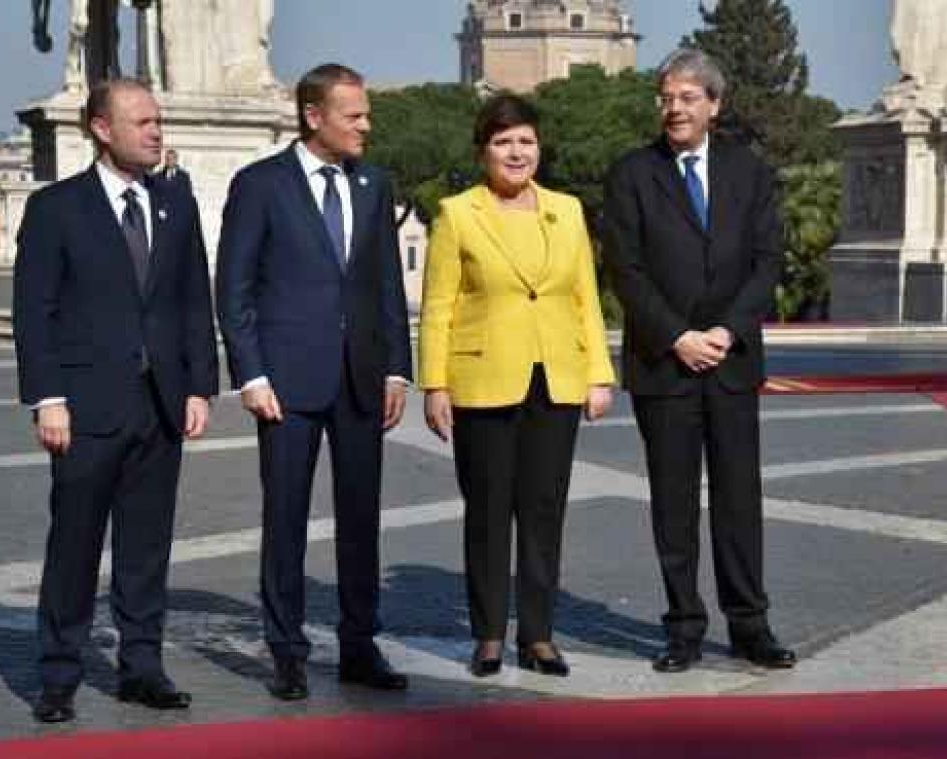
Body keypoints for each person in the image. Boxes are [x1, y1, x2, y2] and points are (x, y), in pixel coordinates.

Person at [12, 78, 218, 723]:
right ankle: (58, 674)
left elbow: (192, 299)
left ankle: (142, 668)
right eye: (143, 122)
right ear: (102, 129)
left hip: (160, 405)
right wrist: (48, 398)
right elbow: (33, 312)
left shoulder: (175, 204)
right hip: (85, 406)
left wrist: (198, 386)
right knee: (75, 544)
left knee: (146, 548)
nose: (156, 131)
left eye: (158, 120)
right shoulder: (55, 209)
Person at [215, 63, 412, 701]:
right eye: (354, 115)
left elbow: (385, 283)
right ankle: (287, 652)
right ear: (313, 116)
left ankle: (360, 645)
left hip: (360, 378)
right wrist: (251, 374)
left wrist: (395, 369)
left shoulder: (374, 184)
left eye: (367, 114)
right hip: (286, 385)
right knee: (286, 520)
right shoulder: (259, 185)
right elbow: (235, 288)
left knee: (361, 519)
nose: (366, 126)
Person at [600, 48, 796, 674]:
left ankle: (750, 625)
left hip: (732, 361)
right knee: (674, 502)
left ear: (715, 104)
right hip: (664, 364)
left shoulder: (750, 171)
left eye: (687, 98)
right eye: (666, 97)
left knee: (739, 498)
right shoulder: (632, 173)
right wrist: (677, 335)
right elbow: (624, 269)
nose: (674, 108)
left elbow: (768, 261)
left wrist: (725, 330)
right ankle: (683, 625)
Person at [419, 94, 614, 678]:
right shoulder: (457, 214)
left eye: (525, 140)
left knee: (543, 510)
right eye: (504, 142)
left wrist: (599, 374)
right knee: (487, 511)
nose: (516, 152)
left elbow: (586, 299)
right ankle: (486, 635)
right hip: (482, 381)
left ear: (539, 147)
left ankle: (538, 635)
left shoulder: (568, 211)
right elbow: (437, 307)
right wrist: (435, 384)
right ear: (483, 151)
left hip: (555, 379)